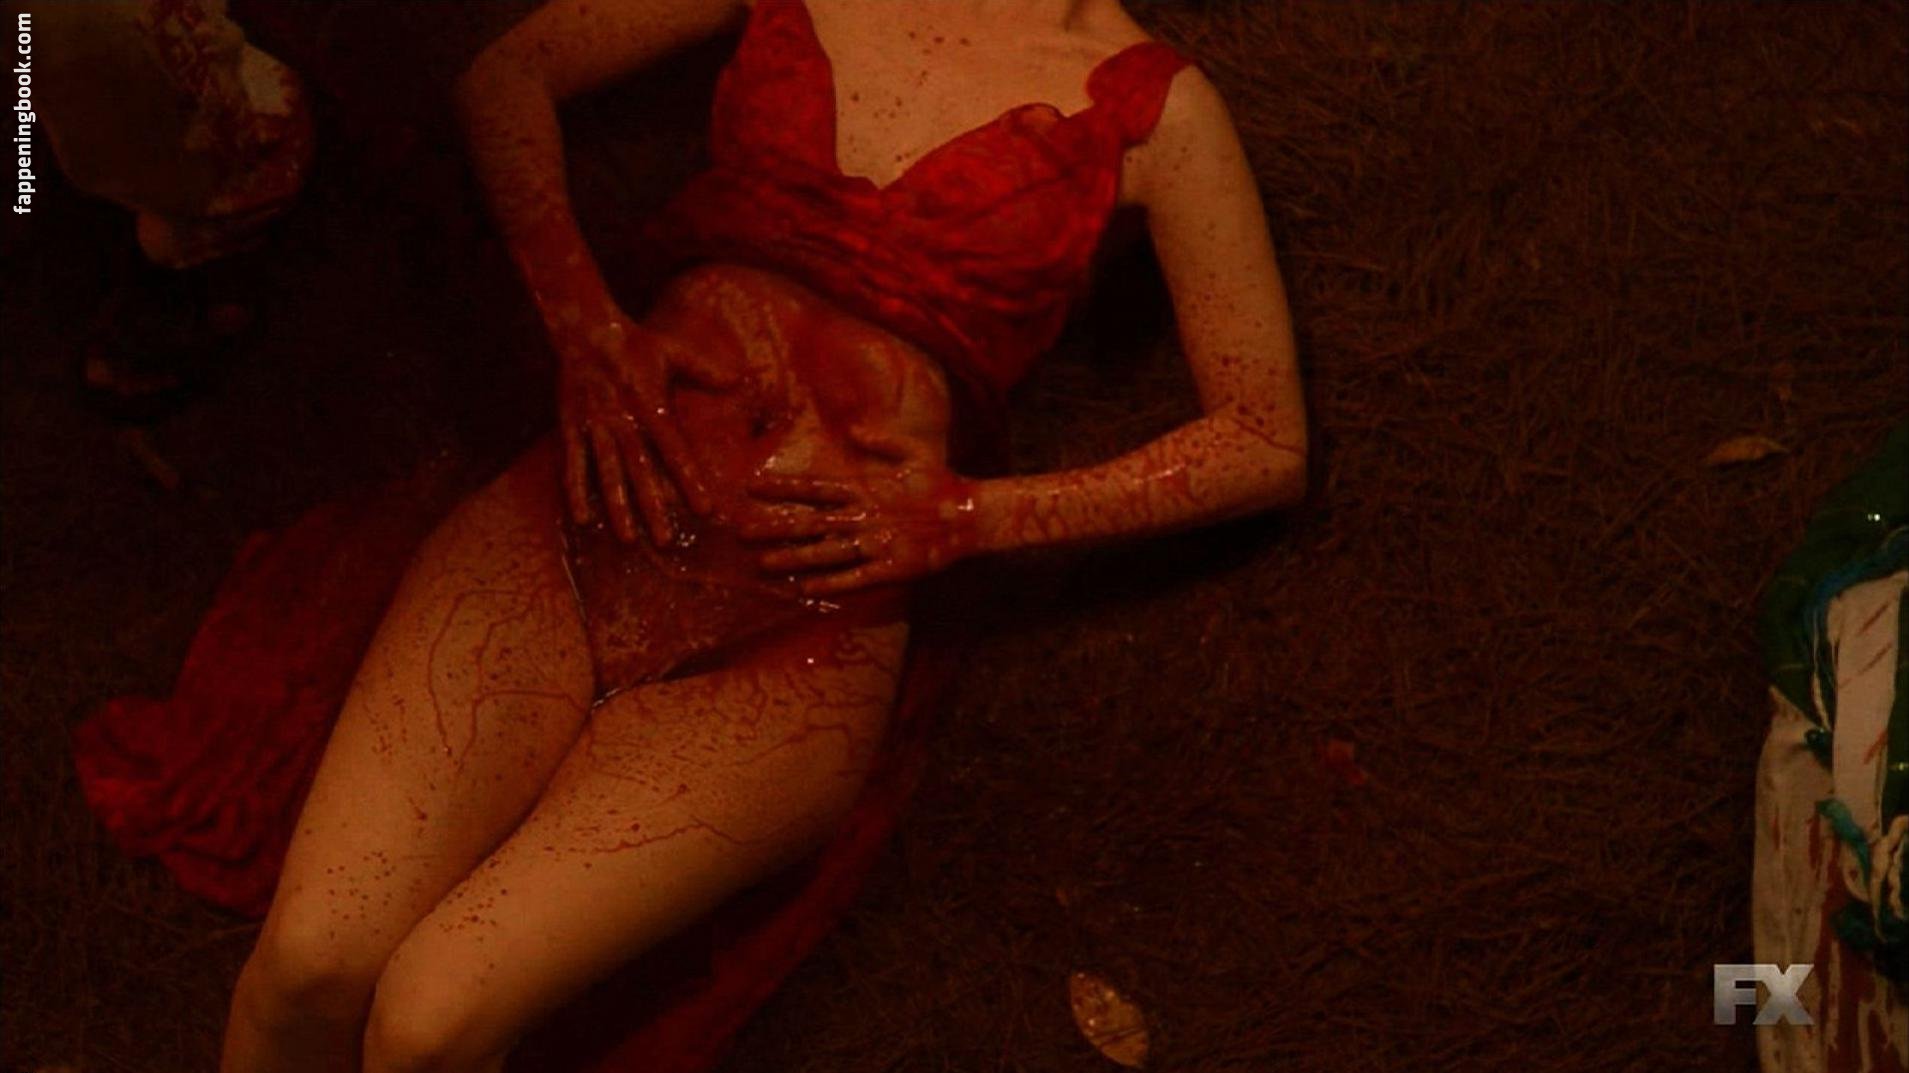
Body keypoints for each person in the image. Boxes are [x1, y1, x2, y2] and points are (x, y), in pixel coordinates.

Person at [213, 0, 1306, 1069]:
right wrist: (581, 319)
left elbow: (1263, 439)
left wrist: (970, 516)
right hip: (582, 515)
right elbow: (505, 76)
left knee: (431, 1019)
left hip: (801, 631)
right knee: (311, 963)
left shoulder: (1157, 109)